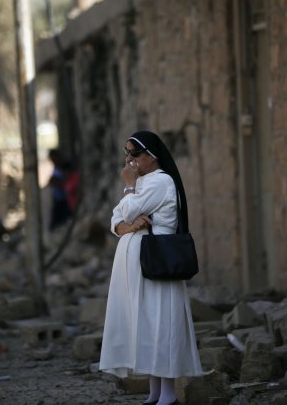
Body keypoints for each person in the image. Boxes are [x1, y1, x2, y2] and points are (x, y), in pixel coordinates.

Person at [100, 131, 202, 405]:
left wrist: (129, 189)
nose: (128, 159)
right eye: (126, 152)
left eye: (134, 153)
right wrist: (127, 226)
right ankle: (155, 392)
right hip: (140, 267)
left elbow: (128, 209)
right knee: (146, 325)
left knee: (161, 322)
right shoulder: (143, 183)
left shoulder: (160, 182)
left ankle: (167, 395)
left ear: (151, 156)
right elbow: (117, 218)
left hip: (157, 265)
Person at [47, 149, 72, 230]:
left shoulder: (64, 167)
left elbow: (66, 184)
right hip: (58, 198)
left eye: (53, 158)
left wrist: (56, 182)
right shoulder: (56, 167)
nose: (52, 161)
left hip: (65, 199)